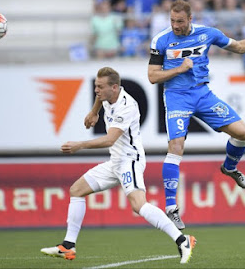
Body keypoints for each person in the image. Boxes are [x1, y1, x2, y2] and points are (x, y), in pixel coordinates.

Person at [40, 67, 196, 264]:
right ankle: (68, 246)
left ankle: (183, 240)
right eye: (95, 86)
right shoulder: (108, 96)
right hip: (115, 161)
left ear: (114, 88)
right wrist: (94, 111)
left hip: (129, 160)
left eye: (100, 87)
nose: (96, 91)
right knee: (77, 190)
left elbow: (109, 140)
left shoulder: (127, 106)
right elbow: (100, 99)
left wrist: (80, 145)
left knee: (138, 205)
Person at [148, 0, 245, 229]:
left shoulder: (208, 33)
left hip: (203, 95)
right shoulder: (161, 40)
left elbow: (239, 47)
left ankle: (229, 167)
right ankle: (171, 208)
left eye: (179, 21)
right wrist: (179, 69)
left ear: (190, 19)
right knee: (176, 146)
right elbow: (152, 76)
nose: (175, 25)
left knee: (243, 133)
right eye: (172, 20)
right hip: (177, 96)